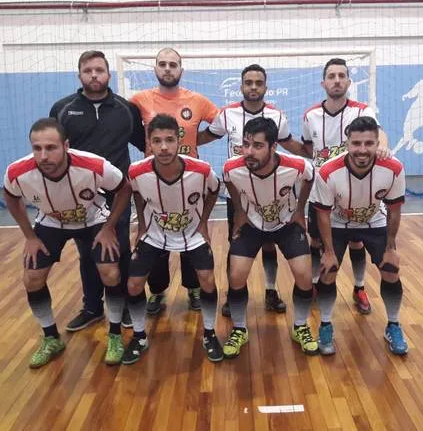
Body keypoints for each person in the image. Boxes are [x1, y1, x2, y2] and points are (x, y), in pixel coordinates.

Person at [3, 118, 133, 367]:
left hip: (93, 220)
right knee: (32, 277)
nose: (43, 156)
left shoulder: (94, 166)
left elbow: (124, 189)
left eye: (51, 148)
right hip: (51, 224)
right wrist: (30, 236)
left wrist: (108, 228)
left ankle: (115, 334)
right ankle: (51, 338)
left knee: (111, 273)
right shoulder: (17, 172)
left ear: (66, 145)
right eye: (37, 148)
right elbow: (10, 198)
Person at [198, 64, 309, 317]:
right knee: (236, 244)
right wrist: (181, 144)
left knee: (270, 245)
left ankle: (270, 291)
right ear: (241, 87)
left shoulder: (277, 116)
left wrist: (313, 153)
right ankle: (233, 294)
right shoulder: (227, 115)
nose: (253, 87)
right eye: (249, 82)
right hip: (239, 195)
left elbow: (288, 143)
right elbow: (208, 136)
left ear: (265, 88)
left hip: (272, 194)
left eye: (258, 83)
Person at [50, 50, 145, 332]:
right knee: (88, 251)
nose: (94, 75)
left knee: (121, 248)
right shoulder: (62, 109)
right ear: (79, 74)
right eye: (88, 70)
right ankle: (92, 307)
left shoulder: (126, 109)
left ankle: (127, 304)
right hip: (79, 196)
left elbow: (144, 145)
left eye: (99, 70)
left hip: (118, 192)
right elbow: (55, 151)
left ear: (108, 74)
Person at [124, 114, 222, 364]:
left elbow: (214, 190)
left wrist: (203, 223)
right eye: (157, 141)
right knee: (134, 284)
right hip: (155, 235)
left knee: (207, 280)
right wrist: (142, 226)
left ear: (179, 140)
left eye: (169, 140)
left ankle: (210, 334)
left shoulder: (201, 170)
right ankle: (139, 336)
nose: (164, 147)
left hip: (192, 234)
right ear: (149, 143)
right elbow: (136, 194)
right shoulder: (137, 171)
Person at [130, 48, 220, 314]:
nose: (167, 68)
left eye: (173, 64)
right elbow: (125, 126)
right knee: (156, 238)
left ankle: (193, 288)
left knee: (191, 236)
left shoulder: (198, 101)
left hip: (189, 181)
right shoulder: (138, 100)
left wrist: (196, 141)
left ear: (181, 69)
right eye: (162, 64)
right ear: (155, 69)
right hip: (153, 182)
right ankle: (157, 291)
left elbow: (223, 125)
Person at [222, 117, 319, 359]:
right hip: (252, 225)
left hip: (286, 224)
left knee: (305, 276)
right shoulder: (232, 168)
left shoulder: (296, 165)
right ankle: (239, 329)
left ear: (273, 146)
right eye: (246, 144)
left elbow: (310, 178)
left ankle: (300, 326)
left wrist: (299, 210)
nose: (249, 152)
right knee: (236, 276)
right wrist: (240, 212)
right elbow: (229, 184)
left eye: (257, 145)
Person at [311, 116, 408, 356]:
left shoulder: (393, 168)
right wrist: (329, 252)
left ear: (378, 143)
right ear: (347, 144)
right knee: (327, 272)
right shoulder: (328, 171)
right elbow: (322, 215)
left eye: (368, 143)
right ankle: (325, 325)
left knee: (390, 269)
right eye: (356, 143)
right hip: (338, 222)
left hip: (373, 220)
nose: (362, 150)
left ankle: (393, 325)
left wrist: (391, 247)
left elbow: (394, 211)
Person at [302, 58, 390, 315]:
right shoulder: (310, 116)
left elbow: (379, 132)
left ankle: (359, 287)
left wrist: (383, 145)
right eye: (332, 76)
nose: (337, 80)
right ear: (323, 82)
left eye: (342, 75)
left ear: (349, 82)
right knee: (317, 241)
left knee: (357, 242)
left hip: (357, 191)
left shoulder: (363, 111)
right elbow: (308, 146)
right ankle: (319, 283)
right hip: (324, 191)